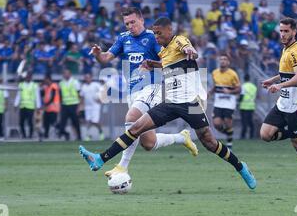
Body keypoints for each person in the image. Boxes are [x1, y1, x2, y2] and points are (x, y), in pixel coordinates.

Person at [79, 17, 256, 190]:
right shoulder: (163, 52)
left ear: (169, 31)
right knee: (135, 127)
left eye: (159, 33)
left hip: (190, 103)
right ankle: (100, 159)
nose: (157, 37)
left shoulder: (179, 40)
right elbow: (168, 65)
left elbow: (189, 49)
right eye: (155, 34)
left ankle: (241, 167)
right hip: (170, 102)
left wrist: (190, 51)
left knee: (209, 142)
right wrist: (152, 64)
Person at [88, 7, 198, 177]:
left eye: (133, 22)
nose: (130, 26)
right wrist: (97, 54)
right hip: (132, 92)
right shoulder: (123, 39)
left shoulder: (152, 38)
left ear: (141, 20)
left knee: (131, 118)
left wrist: (154, 64)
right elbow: (105, 58)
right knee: (148, 143)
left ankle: (122, 166)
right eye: (127, 24)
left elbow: (168, 60)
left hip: (151, 87)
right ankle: (182, 137)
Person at [260, 17, 297, 185]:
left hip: (296, 106)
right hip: (283, 103)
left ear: (294, 31)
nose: (283, 34)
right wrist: (272, 80)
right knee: (265, 135)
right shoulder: (286, 49)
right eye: (281, 31)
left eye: (286, 31)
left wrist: (279, 86)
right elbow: (287, 73)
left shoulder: (296, 51)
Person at [211, 54, 241, 149]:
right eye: (221, 59)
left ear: (228, 62)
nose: (222, 61)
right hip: (218, 102)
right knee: (216, 124)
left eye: (225, 59)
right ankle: (229, 134)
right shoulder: (214, 73)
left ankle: (229, 144)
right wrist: (209, 92)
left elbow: (239, 89)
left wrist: (230, 91)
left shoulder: (233, 74)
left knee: (228, 122)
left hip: (229, 103)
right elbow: (215, 86)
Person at [14, 71, 41, 139]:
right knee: (21, 122)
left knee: (30, 122)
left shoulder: (35, 85)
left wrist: (38, 106)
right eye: (27, 76)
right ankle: (24, 135)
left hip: (30, 107)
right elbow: (18, 95)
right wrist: (16, 104)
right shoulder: (21, 85)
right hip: (22, 106)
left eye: (29, 76)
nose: (28, 78)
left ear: (31, 77)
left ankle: (30, 135)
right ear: (25, 77)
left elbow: (37, 96)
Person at [58, 69, 82, 141]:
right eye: (64, 73)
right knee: (62, 123)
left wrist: (79, 107)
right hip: (65, 105)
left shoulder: (75, 82)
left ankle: (79, 136)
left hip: (74, 105)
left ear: (70, 74)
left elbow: (79, 95)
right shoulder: (61, 83)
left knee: (75, 122)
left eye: (67, 73)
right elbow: (60, 95)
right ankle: (66, 134)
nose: (65, 75)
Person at [81, 73, 104, 141]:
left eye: (88, 77)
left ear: (91, 78)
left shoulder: (95, 85)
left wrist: (100, 99)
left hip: (95, 106)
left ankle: (101, 132)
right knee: (88, 121)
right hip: (87, 107)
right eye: (86, 77)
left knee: (95, 121)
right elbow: (82, 97)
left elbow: (102, 91)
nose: (87, 79)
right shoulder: (83, 86)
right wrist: (81, 106)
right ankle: (88, 135)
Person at [41, 74, 60, 139]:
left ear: (49, 79)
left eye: (46, 80)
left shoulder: (54, 86)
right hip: (48, 108)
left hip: (54, 108)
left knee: (53, 122)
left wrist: (46, 104)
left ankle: (61, 130)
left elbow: (52, 97)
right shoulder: (46, 87)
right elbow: (43, 95)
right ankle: (46, 134)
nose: (45, 81)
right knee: (46, 122)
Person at [239, 74, 257, 139]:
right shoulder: (254, 86)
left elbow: (241, 96)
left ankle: (243, 136)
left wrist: (238, 101)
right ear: (249, 78)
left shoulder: (243, 86)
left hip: (243, 106)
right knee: (250, 122)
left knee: (244, 122)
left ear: (244, 79)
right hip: (251, 106)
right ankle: (251, 135)